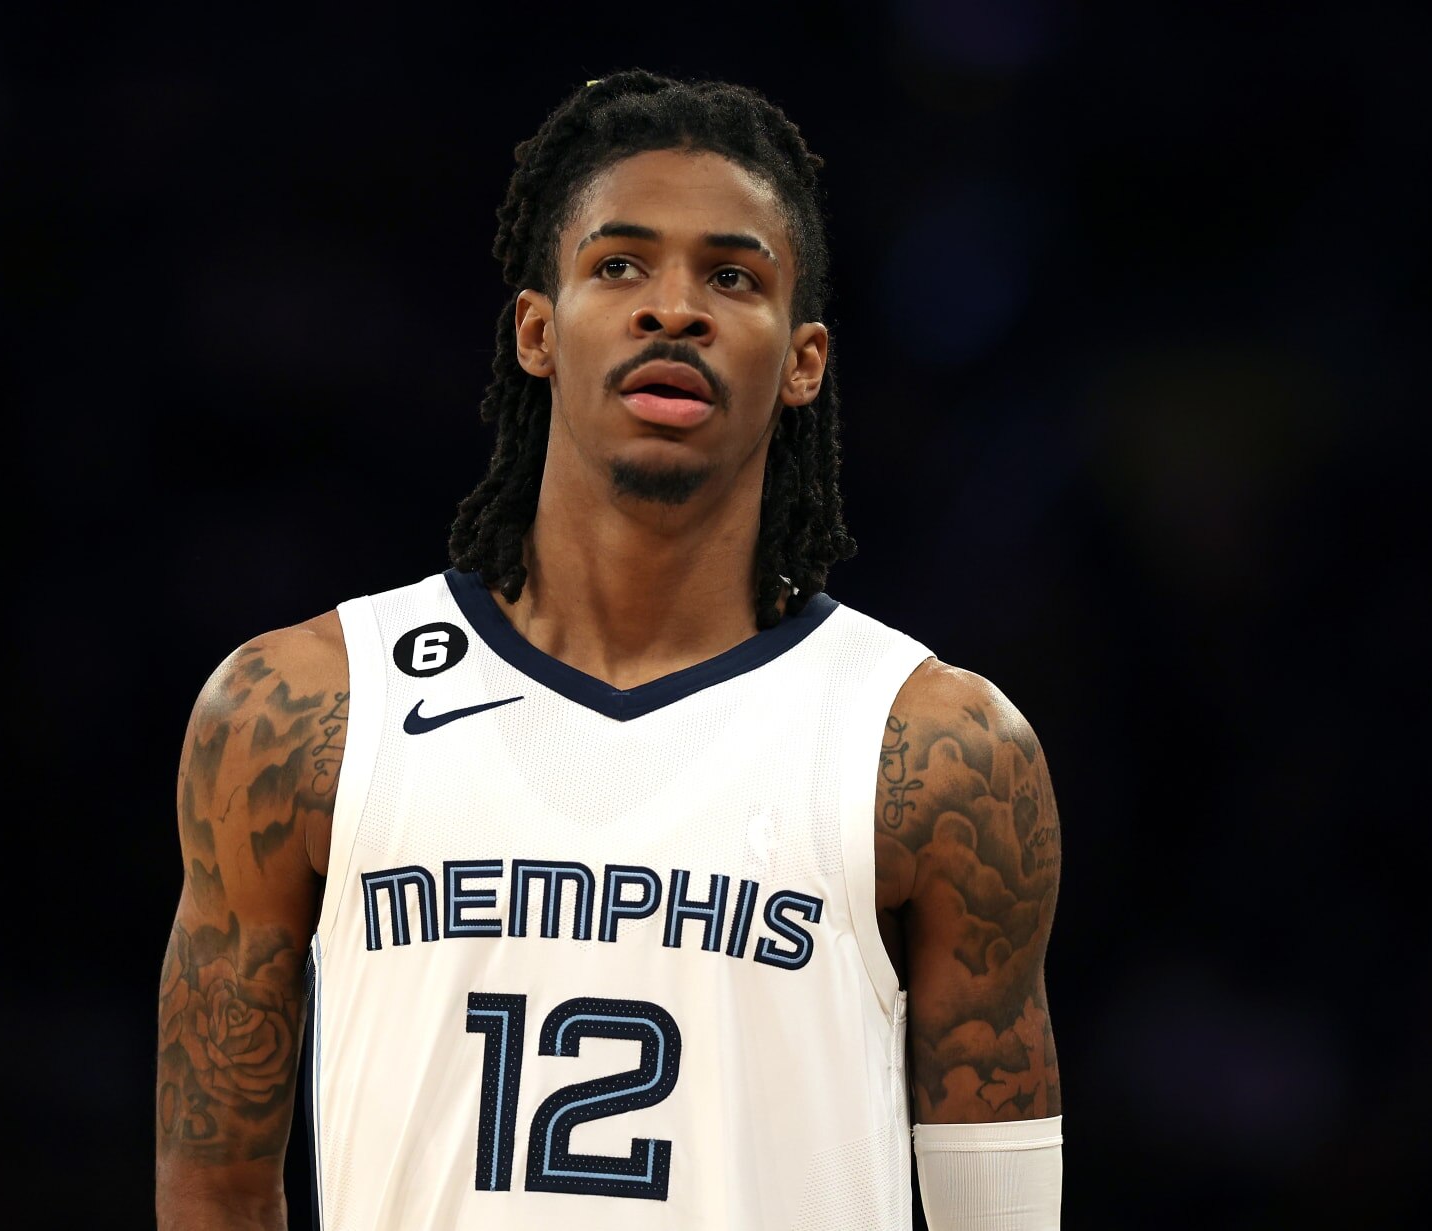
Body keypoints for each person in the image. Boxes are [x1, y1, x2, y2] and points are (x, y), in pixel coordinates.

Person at [155, 70, 1064, 1230]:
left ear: (804, 362)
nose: (672, 309)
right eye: (619, 264)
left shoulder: (938, 751)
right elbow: (216, 1187)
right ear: (538, 329)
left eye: (732, 277)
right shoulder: (297, 710)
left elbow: (1003, 1218)